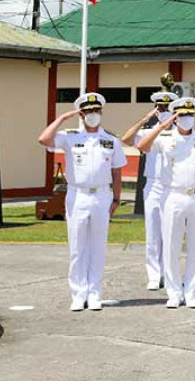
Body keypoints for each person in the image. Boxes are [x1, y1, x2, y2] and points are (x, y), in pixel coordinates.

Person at [38, 93, 126, 311]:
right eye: (87, 111)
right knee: (77, 247)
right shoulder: (70, 136)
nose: (92, 115)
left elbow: (117, 173)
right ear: (81, 114)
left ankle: (94, 293)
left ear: (101, 113)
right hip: (77, 195)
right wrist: (63, 118)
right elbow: (44, 140)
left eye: (96, 111)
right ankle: (78, 294)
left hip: (102, 196)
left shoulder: (111, 140)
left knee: (98, 247)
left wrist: (116, 198)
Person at [137, 97, 195, 309]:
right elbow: (141, 145)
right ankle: (173, 292)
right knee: (171, 246)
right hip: (172, 195)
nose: (186, 118)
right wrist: (162, 126)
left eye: (190, 115)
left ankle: (191, 292)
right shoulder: (164, 138)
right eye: (182, 115)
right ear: (175, 117)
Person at [121, 90, 178, 290]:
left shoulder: (181, 133)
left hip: (174, 186)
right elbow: (127, 139)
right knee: (153, 232)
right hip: (154, 185)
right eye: (160, 108)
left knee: (172, 232)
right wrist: (146, 119)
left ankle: (170, 273)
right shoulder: (149, 132)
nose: (162, 111)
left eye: (166, 108)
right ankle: (154, 275)